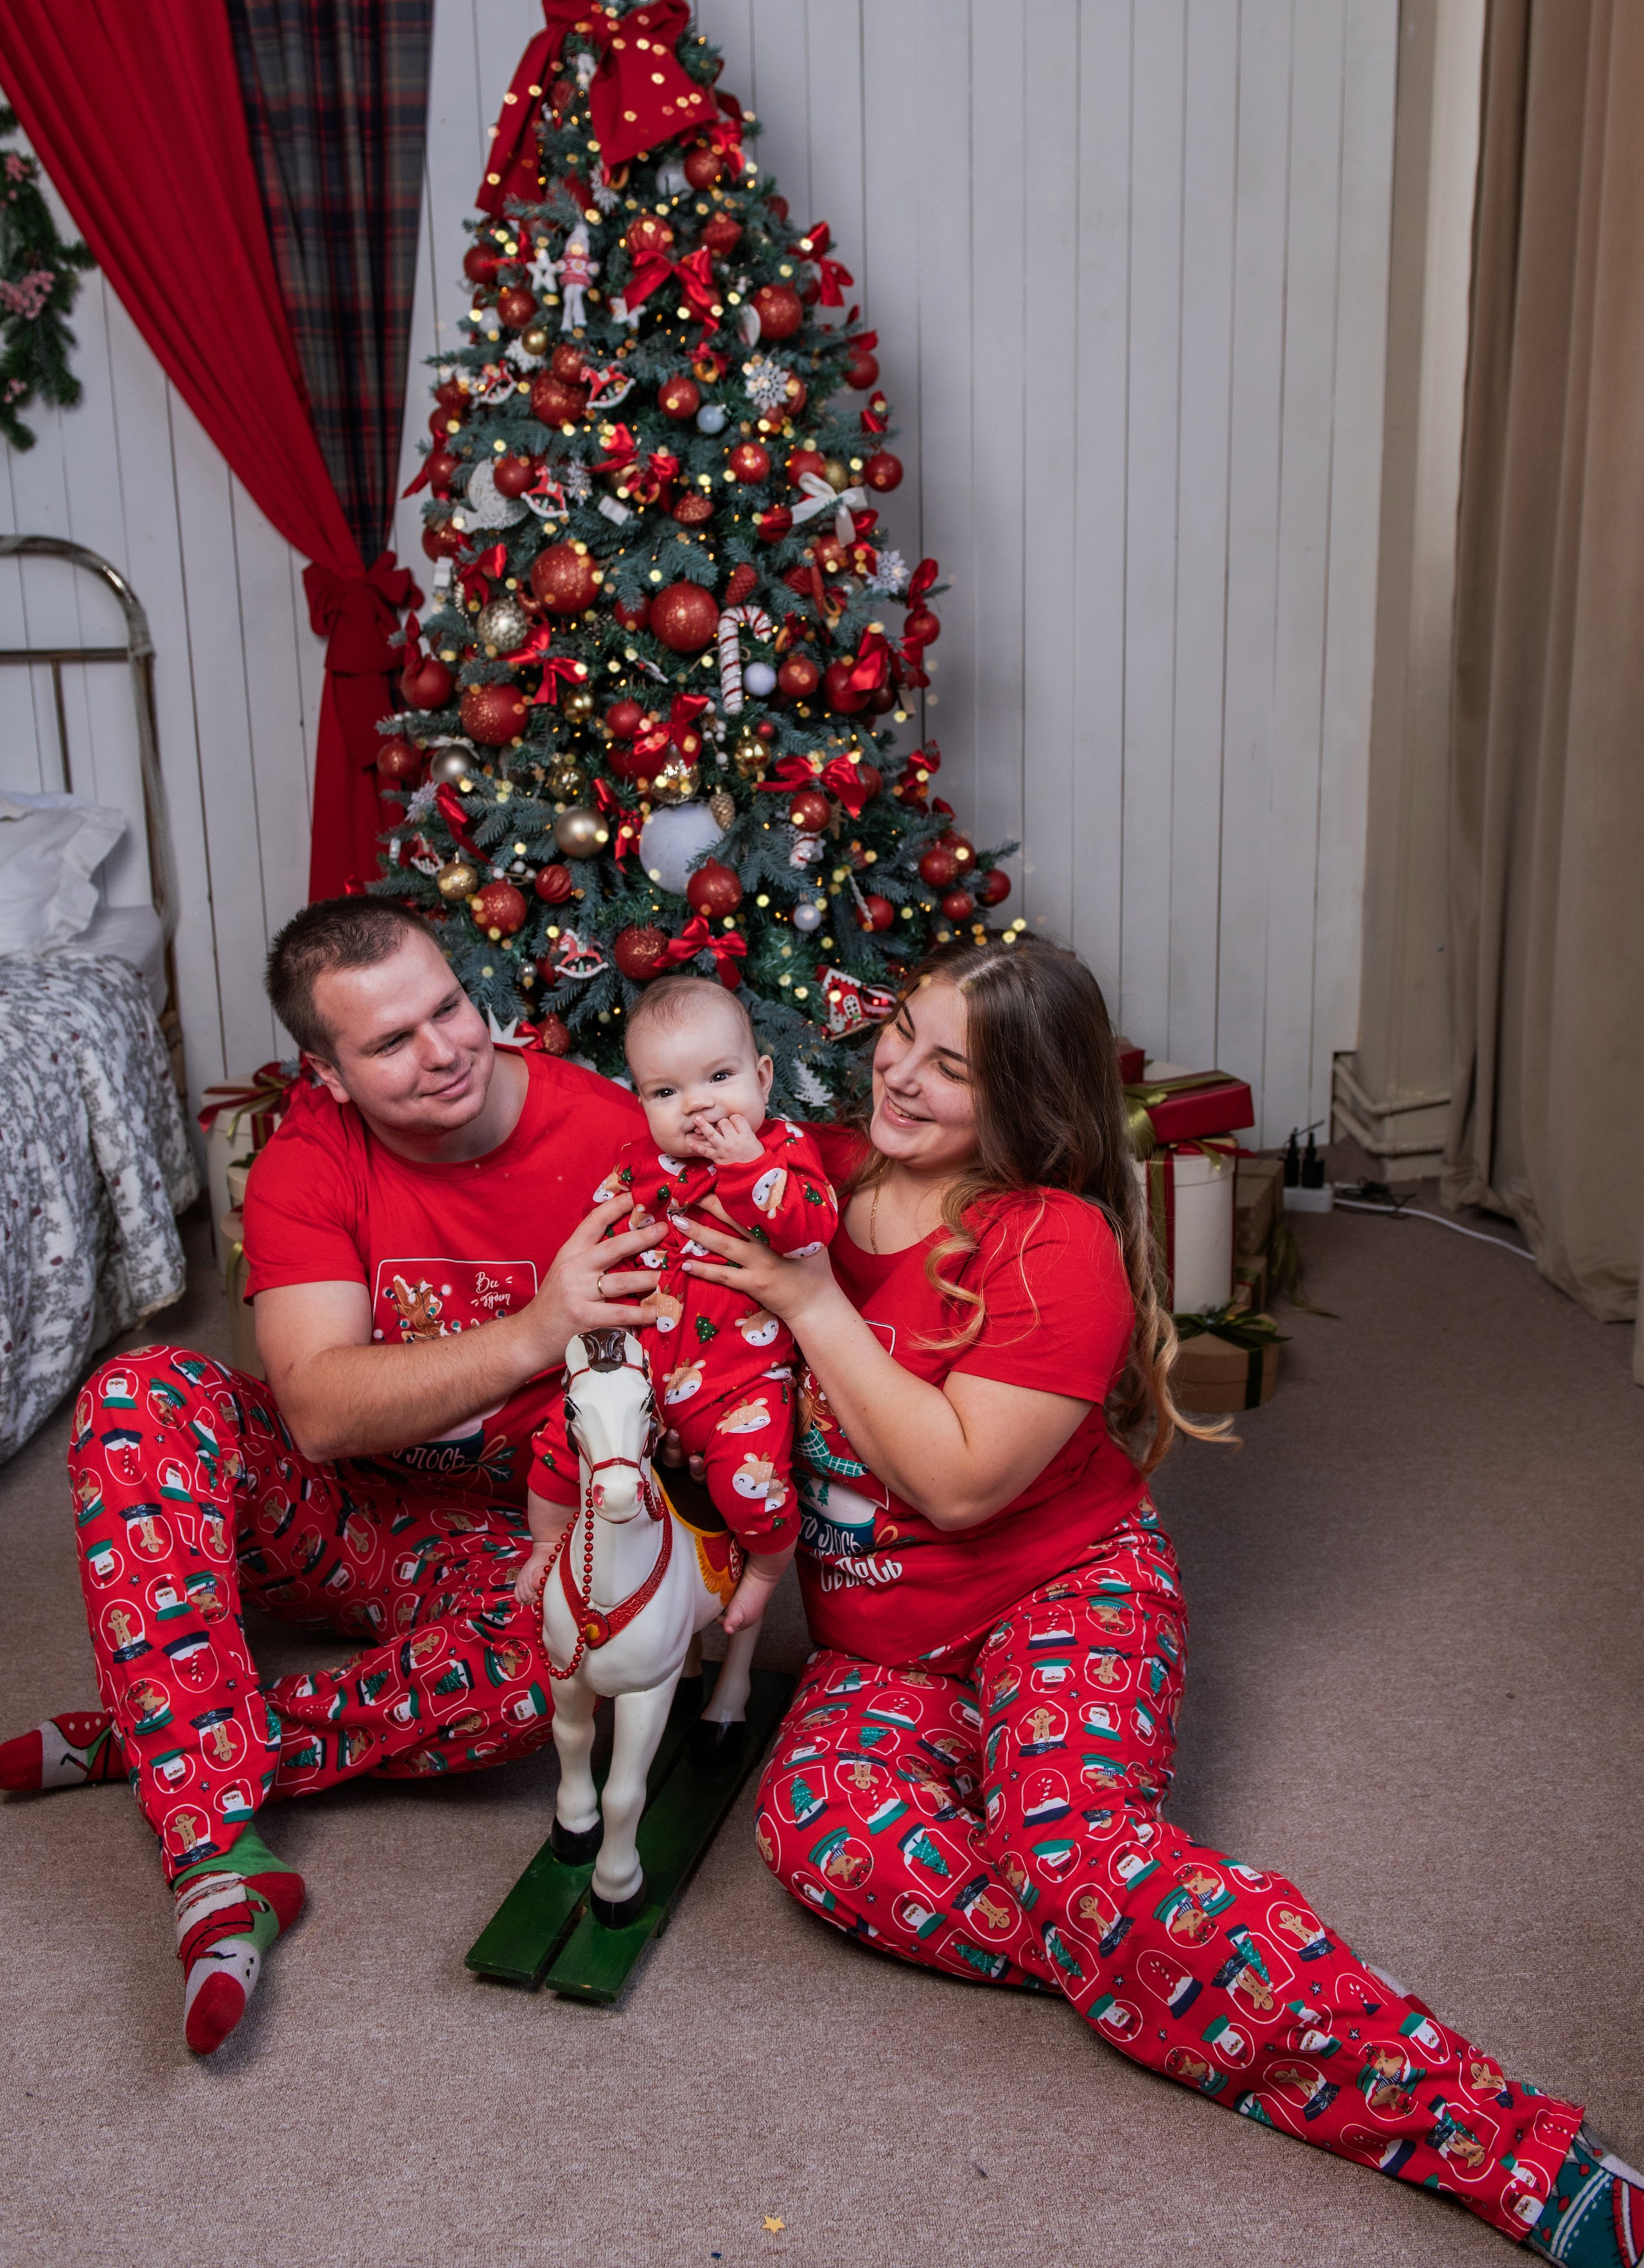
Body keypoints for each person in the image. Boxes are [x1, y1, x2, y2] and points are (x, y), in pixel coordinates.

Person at [672, 935, 1643, 2266]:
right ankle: (1134, 1933)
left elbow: (957, 1488)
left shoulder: (1052, 1245)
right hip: (882, 1650)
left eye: (952, 1068)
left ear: (1024, 1102)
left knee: (1073, 1852)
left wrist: (805, 1298)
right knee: (819, 1837)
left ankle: (1522, 2155)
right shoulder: (815, 1178)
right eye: (899, 1029)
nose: (895, 1070)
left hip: (1058, 1590)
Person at [0, 896, 667, 2057]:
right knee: (141, 1390)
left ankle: (163, 1727)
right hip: (335, 1511)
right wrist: (535, 1326)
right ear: (330, 1073)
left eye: (449, 1008)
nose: (447, 1050)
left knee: (546, 1686)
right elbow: (314, 1413)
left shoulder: (609, 1135)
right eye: (392, 1042)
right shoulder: (307, 1154)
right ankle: (220, 1853)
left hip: (519, 1530)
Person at [520, 975, 837, 1641]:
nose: (697, 1106)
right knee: (558, 1437)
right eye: (666, 1092)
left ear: (763, 1075)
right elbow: (601, 1230)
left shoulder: (782, 1151)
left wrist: (748, 1166)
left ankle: (765, 1571)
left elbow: (809, 1231)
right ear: (640, 1099)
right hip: (636, 1367)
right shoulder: (639, 1162)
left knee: (754, 1488)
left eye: (719, 1077)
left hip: (737, 1382)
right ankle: (548, 1540)